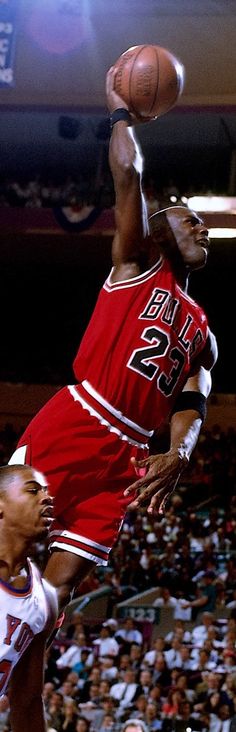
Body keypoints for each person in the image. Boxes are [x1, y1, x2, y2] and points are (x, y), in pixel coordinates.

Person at [9, 65, 218, 614]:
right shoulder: (137, 265)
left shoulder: (203, 332)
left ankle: (25, 695)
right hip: (81, 416)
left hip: (128, 455)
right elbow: (128, 176)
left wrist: (181, 451)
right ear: (157, 231)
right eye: (189, 220)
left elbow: (194, 398)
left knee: (48, 607)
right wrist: (120, 111)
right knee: (7, 553)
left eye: (204, 223)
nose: (202, 228)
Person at [0, 464, 58, 732]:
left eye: (46, 491)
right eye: (33, 491)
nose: (47, 497)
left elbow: (26, 700)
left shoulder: (44, 598)